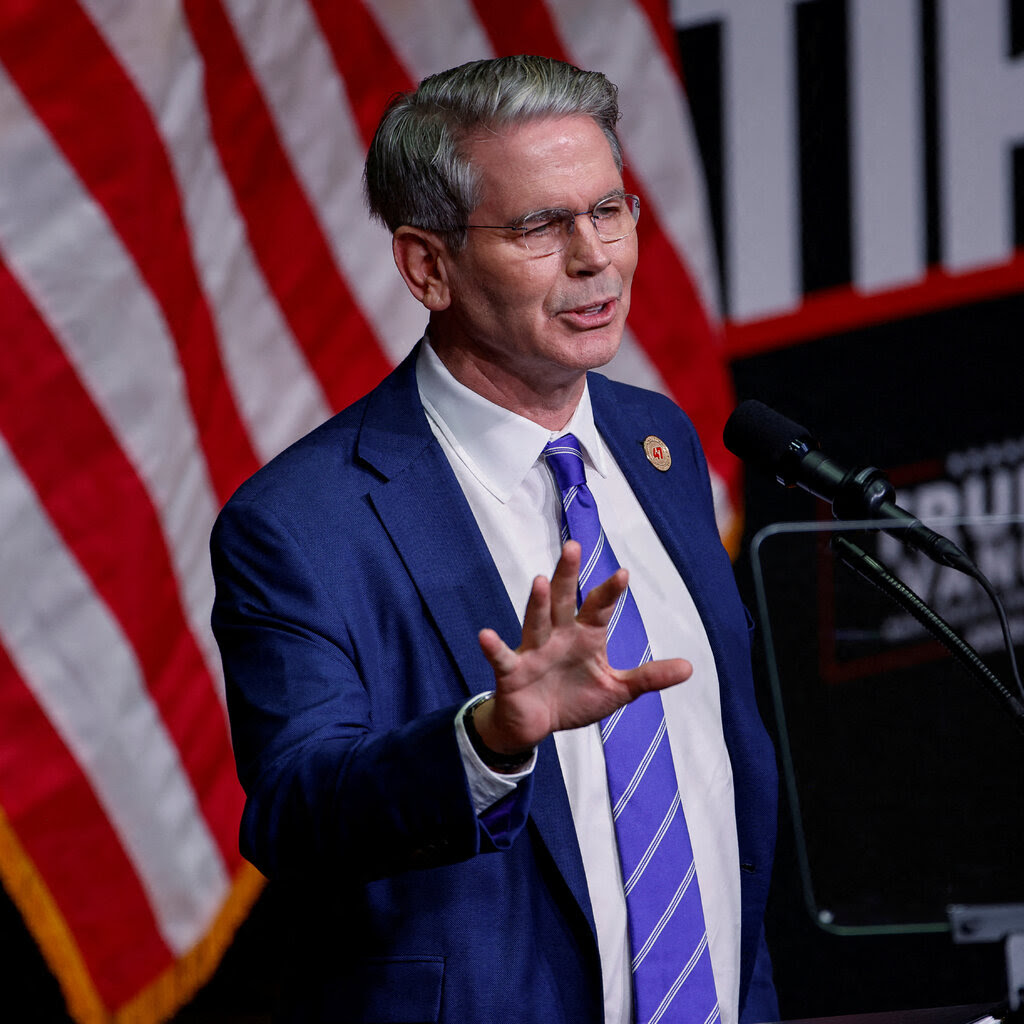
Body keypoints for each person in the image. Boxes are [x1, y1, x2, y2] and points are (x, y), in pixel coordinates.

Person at [211, 55, 779, 1024]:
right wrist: (486, 739)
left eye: (608, 209)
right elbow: (295, 813)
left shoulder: (660, 442)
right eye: (538, 227)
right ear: (426, 265)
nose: (595, 255)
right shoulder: (303, 523)